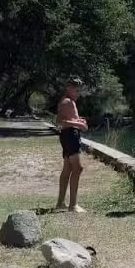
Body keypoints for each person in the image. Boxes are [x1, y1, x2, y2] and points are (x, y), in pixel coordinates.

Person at [56, 77, 88, 212]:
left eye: (79, 91)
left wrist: (78, 120)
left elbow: (69, 119)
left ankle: (60, 203)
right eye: (76, 90)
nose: (78, 93)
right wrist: (80, 124)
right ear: (69, 88)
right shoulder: (67, 102)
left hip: (68, 135)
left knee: (68, 169)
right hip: (70, 135)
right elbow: (60, 122)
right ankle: (73, 205)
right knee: (78, 168)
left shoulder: (69, 101)